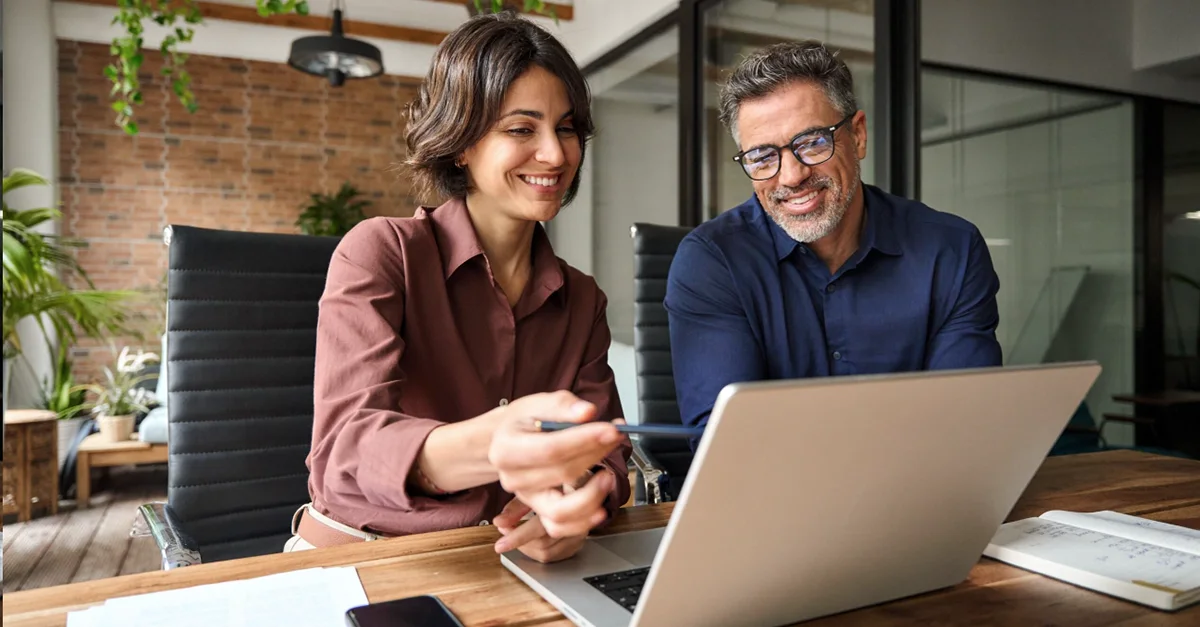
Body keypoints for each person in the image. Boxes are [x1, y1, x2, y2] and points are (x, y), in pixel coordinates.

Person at [287, 13, 631, 563]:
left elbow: (608, 454)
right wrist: (492, 446)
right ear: (461, 144)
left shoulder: (582, 298)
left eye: (566, 128)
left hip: (505, 562)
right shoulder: (381, 253)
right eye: (522, 129)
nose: (556, 154)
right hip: (363, 559)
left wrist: (577, 509)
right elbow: (344, 451)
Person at [665, 41, 1003, 448]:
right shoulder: (712, 262)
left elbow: (965, 424)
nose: (790, 176)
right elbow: (725, 444)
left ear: (857, 135)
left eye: (811, 142)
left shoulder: (952, 250)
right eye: (761, 156)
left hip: (920, 501)